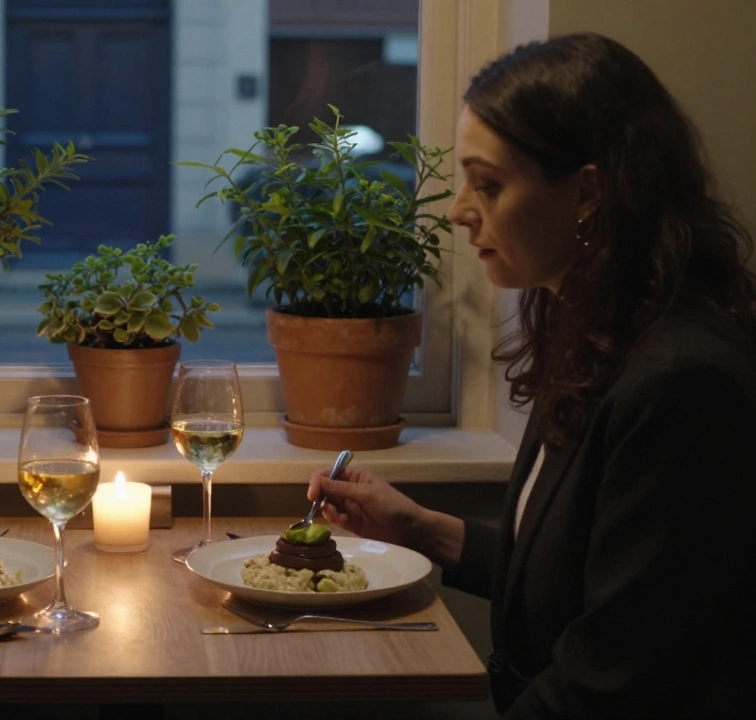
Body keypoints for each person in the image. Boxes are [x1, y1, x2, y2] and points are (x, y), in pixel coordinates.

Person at [308, 33, 756, 718]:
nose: (459, 210)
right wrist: (424, 530)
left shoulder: (684, 382)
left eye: (488, 184)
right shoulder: (595, 335)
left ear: (587, 194)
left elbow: (613, 679)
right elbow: (584, 580)